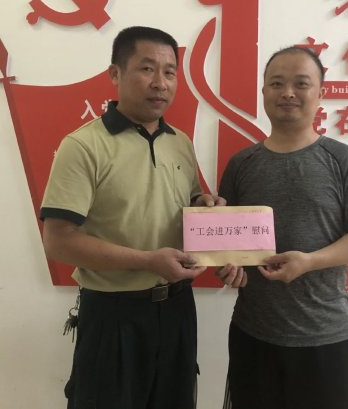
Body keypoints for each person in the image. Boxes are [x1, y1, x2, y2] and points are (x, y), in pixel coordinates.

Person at [40, 26, 224, 409]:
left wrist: (205, 206)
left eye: (169, 72)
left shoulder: (180, 142)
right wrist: (147, 260)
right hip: (113, 314)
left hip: (177, 309)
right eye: (147, 68)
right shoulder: (83, 145)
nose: (160, 83)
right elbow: (58, 240)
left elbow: (187, 203)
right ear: (115, 74)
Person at [217, 46, 348, 409]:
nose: (288, 93)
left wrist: (310, 261)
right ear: (263, 91)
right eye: (277, 83)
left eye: (301, 84)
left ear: (321, 93)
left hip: (323, 338)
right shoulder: (241, 164)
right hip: (252, 334)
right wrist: (228, 267)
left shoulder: (343, 160)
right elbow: (227, 244)